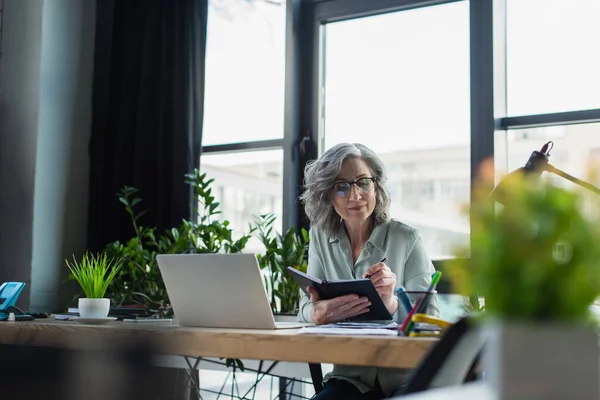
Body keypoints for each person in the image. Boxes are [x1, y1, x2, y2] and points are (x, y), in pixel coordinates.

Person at [297, 142, 438, 400]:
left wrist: (393, 303)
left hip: (405, 378)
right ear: (327, 195)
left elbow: (430, 318)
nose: (355, 196)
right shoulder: (320, 237)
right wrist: (317, 313)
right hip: (350, 378)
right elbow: (305, 306)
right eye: (342, 187)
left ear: (377, 186)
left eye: (363, 182)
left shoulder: (406, 238)